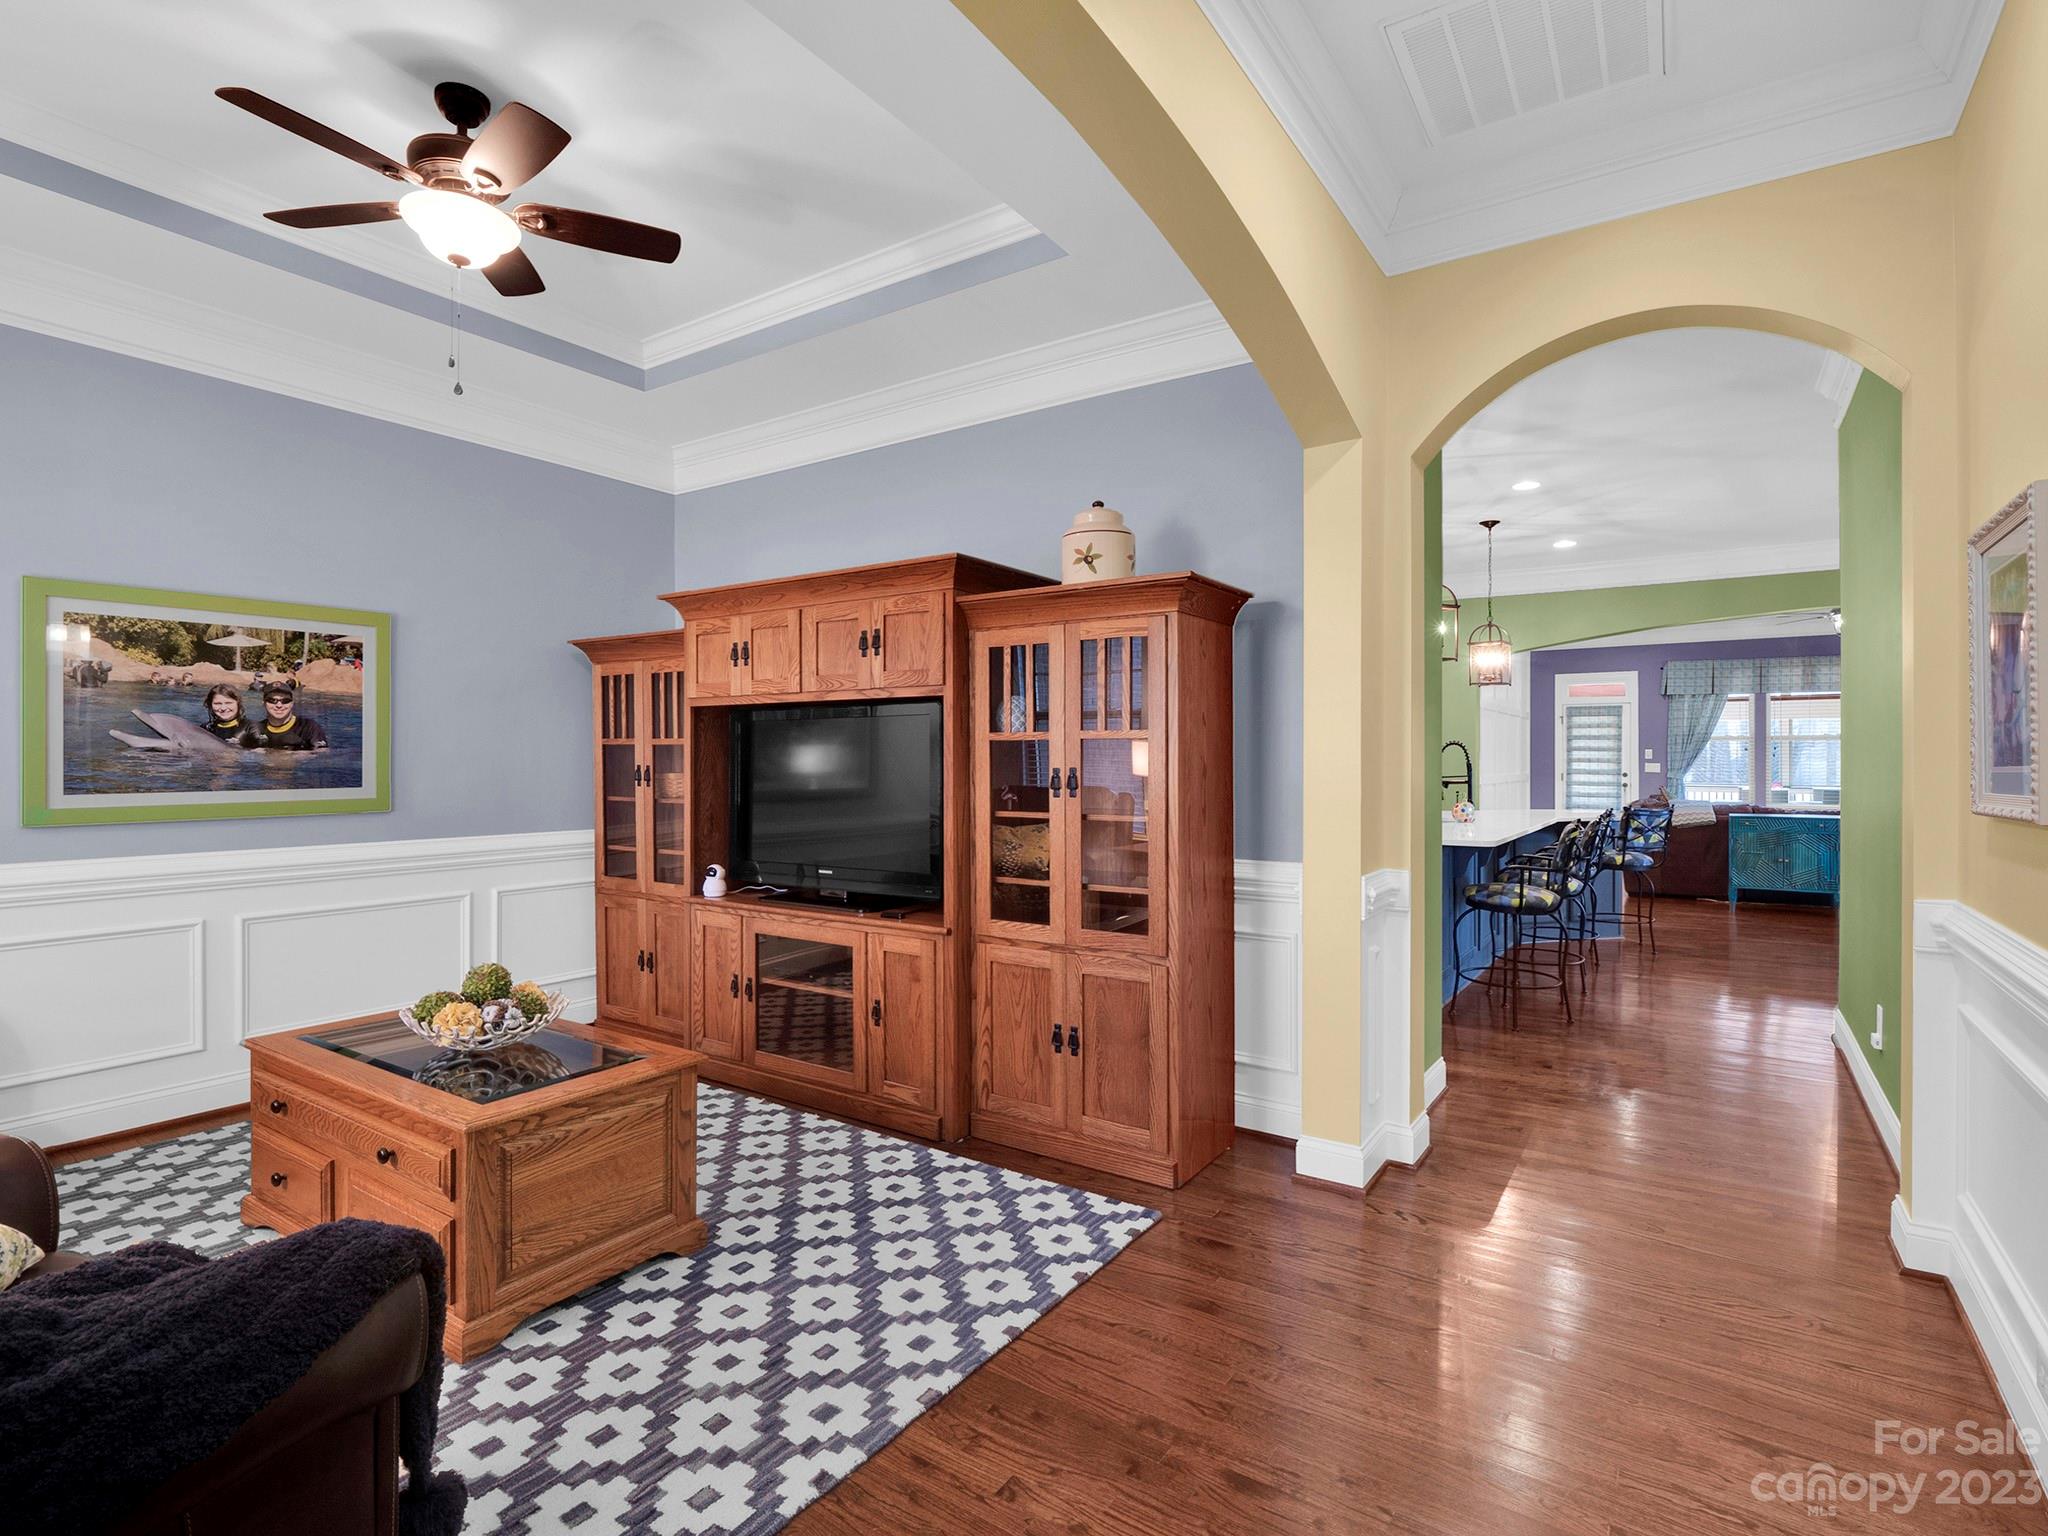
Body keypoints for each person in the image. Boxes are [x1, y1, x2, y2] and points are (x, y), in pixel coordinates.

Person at [256, 682, 325, 750]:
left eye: (285, 700)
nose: (279, 705)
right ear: (264, 703)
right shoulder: (256, 730)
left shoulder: (308, 727)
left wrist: (283, 754)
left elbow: (322, 752)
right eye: (272, 700)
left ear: (292, 703)